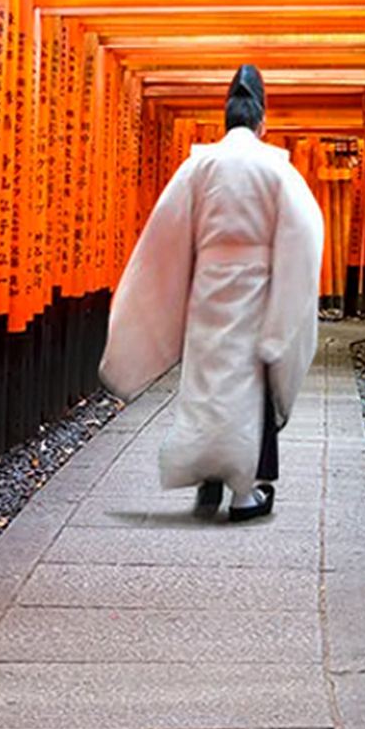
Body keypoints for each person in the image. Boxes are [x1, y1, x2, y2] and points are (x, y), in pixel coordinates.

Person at [99, 65, 326, 522]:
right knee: (250, 385)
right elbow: (305, 231)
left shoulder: (198, 166)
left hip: (208, 287)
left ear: (226, 119)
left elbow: (165, 232)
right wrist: (287, 295)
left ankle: (209, 483)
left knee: (206, 384)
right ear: (262, 122)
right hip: (259, 288)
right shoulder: (276, 168)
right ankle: (243, 495)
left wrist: (173, 286)